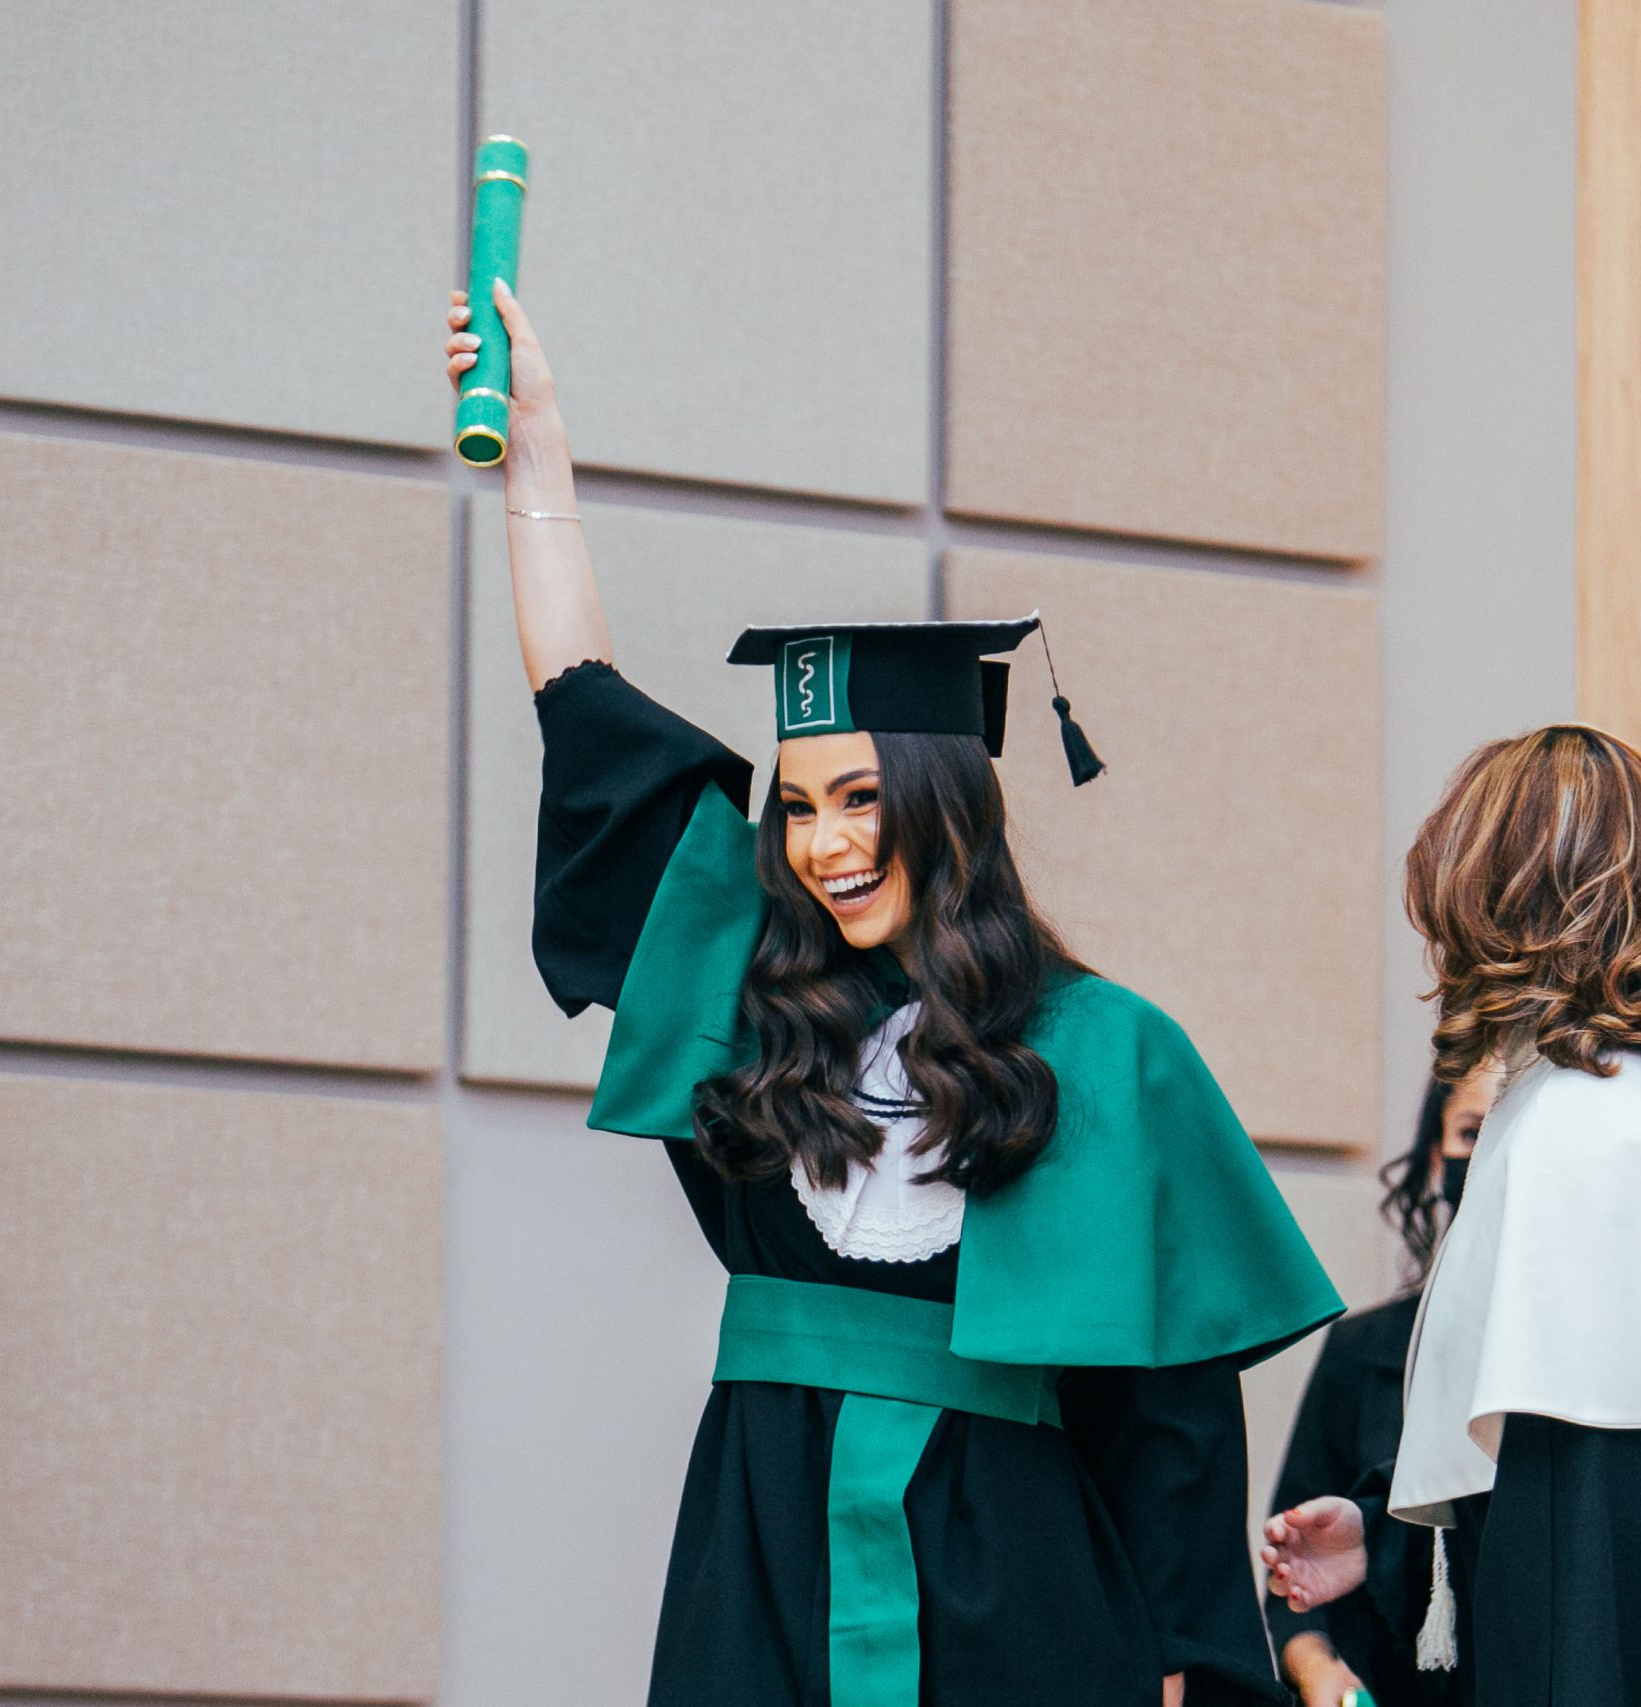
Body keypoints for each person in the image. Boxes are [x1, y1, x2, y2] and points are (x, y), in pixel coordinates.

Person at [446, 282, 1342, 1707]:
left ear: (944, 801)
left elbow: (1170, 1417)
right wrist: (538, 457)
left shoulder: (1107, 1053)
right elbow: (586, 709)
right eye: (799, 805)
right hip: (764, 1555)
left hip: (1020, 1593)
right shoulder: (754, 998)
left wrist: (1188, 1654)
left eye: (861, 796)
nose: (823, 843)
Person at [1261, 727, 1641, 1707]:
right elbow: (1590, 1474)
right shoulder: (1630, 1099)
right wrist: (1388, 1534)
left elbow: (1592, 1544)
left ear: (1505, 905)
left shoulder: (1586, 1129)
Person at [1266, 1064, 1497, 1707]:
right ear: (1435, 1157)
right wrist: (1320, 1673)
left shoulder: (1598, 1372)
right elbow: (1292, 1580)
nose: (1491, 1158)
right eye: (1472, 1133)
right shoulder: (1361, 1350)